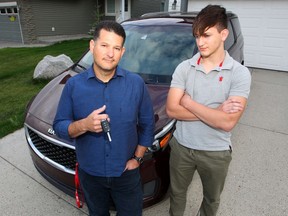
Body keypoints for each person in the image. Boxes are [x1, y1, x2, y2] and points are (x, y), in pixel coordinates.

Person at [53, 20, 155, 216]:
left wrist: (137, 158)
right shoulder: (74, 86)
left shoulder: (136, 84)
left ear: (122, 52)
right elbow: (59, 126)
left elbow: (147, 124)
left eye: (116, 48)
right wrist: (84, 124)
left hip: (127, 173)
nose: (110, 53)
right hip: (91, 175)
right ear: (92, 46)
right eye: (105, 45)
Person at [166, 5, 251, 216]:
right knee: (177, 195)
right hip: (182, 148)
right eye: (197, 36)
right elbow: (171, 110)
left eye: (206, 35)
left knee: (211, 200)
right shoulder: (184, 68)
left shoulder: (240, 74)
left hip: (216, 152)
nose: (200, 42)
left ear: (224, 34)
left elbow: (227, 123)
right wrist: (216, 111)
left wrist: (189, 102)